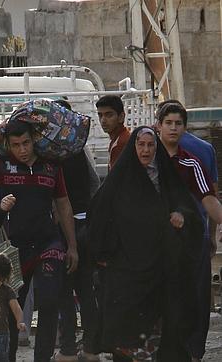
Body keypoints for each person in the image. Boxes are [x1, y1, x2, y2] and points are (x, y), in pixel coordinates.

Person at [88, 126, 203, 361]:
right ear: (134, 147)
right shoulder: (120, 179)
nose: (146, 150)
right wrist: (103, 251)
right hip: (127, 268)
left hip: (163, 265)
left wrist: (180, 214)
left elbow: (187, 207)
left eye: (151, 145)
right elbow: (98, 216)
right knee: (125, 332)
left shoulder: (165, 176)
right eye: (141, 144)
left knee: (166, 326)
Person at [0, 119, 79, 362]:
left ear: (34, 141)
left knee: (49, 302)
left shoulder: (51, 167)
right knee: (11, 307)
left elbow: (63, 205)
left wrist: (71, 246)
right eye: (16, 144)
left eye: (26, 143)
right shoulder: (3, 164)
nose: (22, 149)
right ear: (9, 144)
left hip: (49, 244)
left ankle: (43, 357)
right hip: (15, 249)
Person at [154, 102, 222, 362]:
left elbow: (209, 196)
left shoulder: (191, 162)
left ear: (184, 127)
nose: (173, 128)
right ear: (158, 124)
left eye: (178, 123)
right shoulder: (145, 157)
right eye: (168, 123)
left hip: (189, 241)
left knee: (193, 299)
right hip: (153, 243)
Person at [54, 100, 101, 362]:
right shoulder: (79, 148)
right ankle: (91, 348)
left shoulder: (52, 151)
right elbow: (94, 183)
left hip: (66, 228)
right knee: (85, 291)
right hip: (83, 225)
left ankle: (70, 349)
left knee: (66, 291)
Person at [96, 95, 130, 170]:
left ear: (121, 117)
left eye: (109, 115)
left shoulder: (122, 142)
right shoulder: (117, 139)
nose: (103, 120)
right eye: (100, 115)